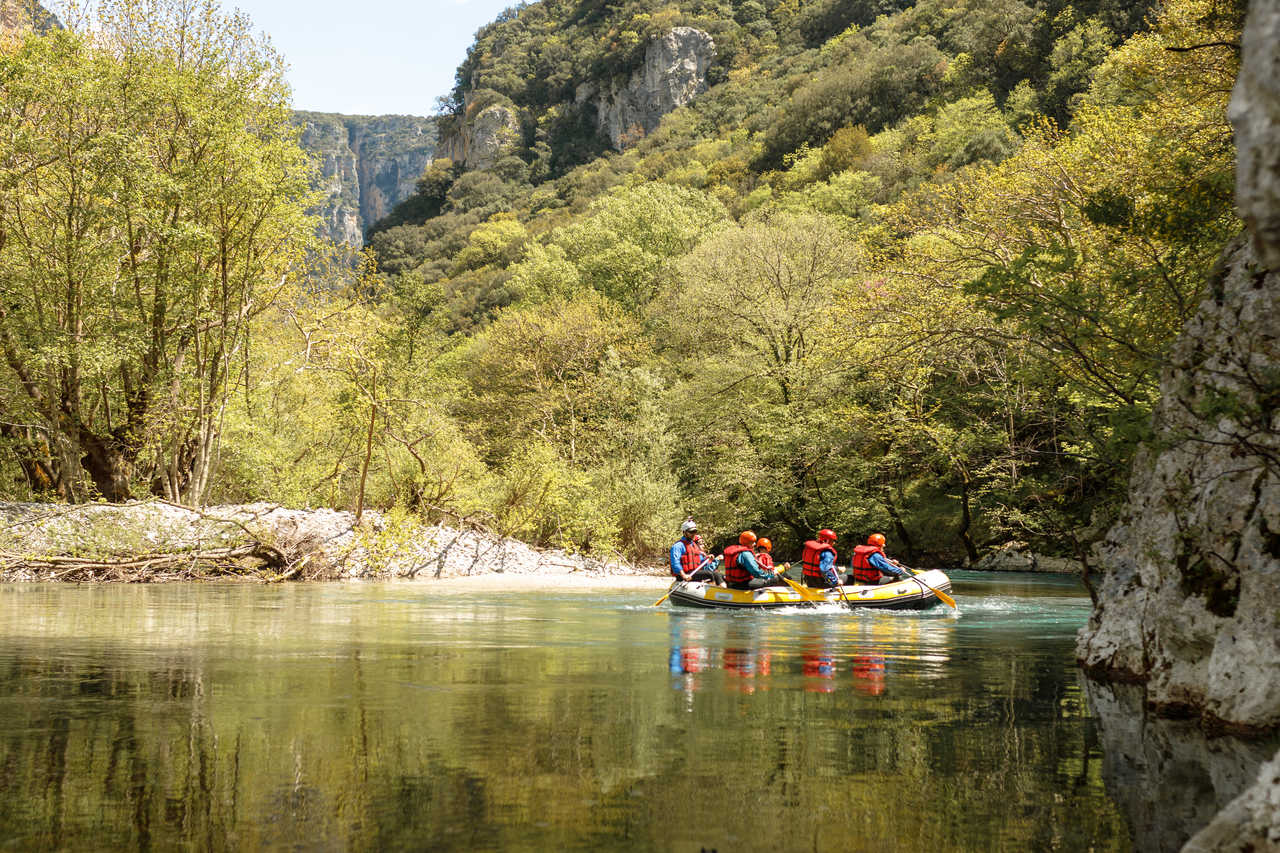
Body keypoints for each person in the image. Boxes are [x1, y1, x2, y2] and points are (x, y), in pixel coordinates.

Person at [723, 530, 789, 590]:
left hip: (731, 583)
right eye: (753, 542)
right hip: (743, 584)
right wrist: (772, 574)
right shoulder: (746, 554)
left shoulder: (734, 552)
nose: (755, 544)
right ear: (747, 542)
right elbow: (757, 573)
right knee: (780, 576)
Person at [669, 519, 724, 585]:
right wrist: (683, 575)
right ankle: (719, 591)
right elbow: (675, 563)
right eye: (691, 532)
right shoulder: (678, 546)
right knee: (710, 574)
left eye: (695, 531)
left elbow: (701, 563)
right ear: (684, 532)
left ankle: (724, 590)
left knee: (718, 574)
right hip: (684, 575)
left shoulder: (694, 546)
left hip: (695, 573)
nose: (693, 534)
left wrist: (708, 558)